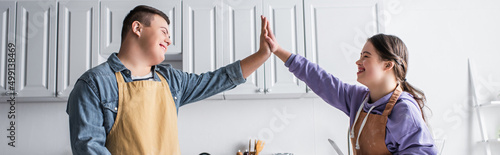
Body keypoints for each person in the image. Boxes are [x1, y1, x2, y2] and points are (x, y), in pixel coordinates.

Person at [66, 5, 274, 155]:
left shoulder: (172, 80)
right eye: (164, 32)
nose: (169, 39)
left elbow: (219, 79)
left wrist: (261, 55)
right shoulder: (94, 84)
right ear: (137, 28)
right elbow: (89, 149)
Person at [263, 24, 437, 153]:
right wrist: (278, 50)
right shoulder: (358, 99)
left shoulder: (404, 109)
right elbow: (320, 79)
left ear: (387, 65)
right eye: (360, 56)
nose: (358, 61)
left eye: (366, 56)